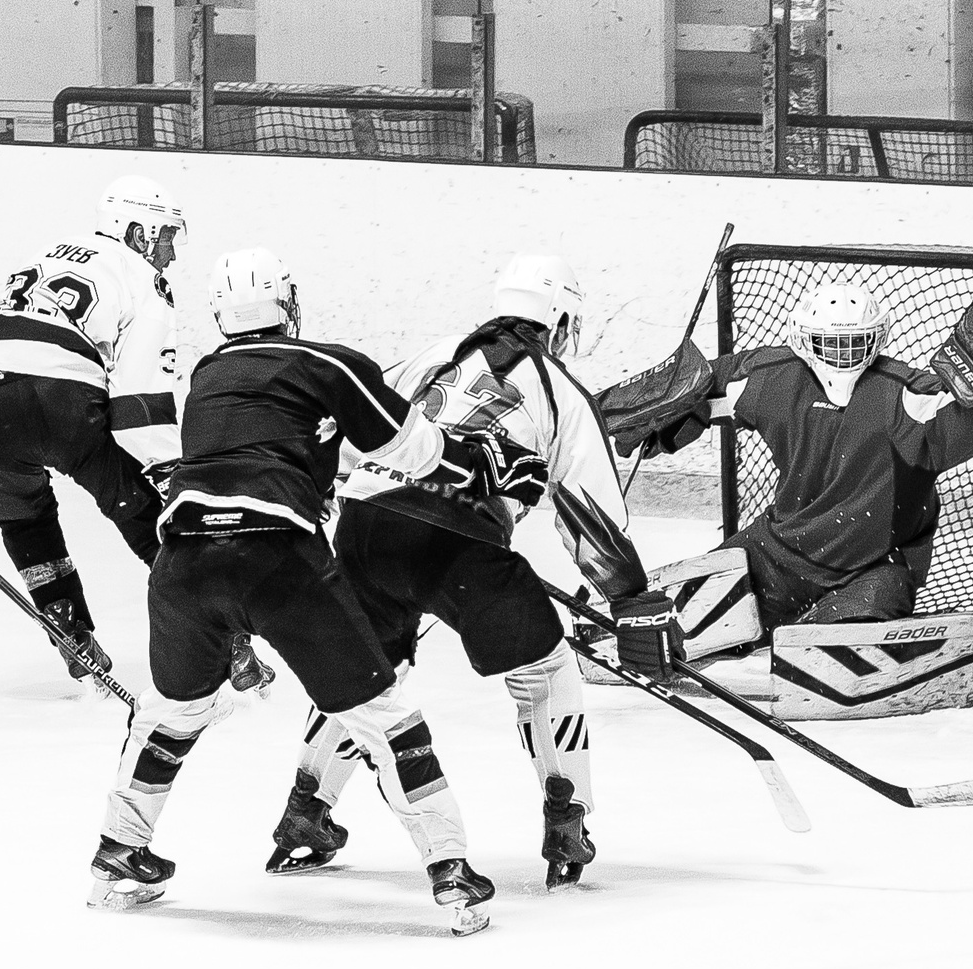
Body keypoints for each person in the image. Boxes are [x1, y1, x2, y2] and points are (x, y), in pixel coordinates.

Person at [87, 247, 499, 934]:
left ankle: (117, 852)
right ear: (290, 304)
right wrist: (475, 462)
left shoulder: (208, 373)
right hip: (278, 558)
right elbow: (410, 447)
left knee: (172, 716)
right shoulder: (324, 362)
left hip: (182, 563)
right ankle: (451, 871)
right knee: (383, 715)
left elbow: (259, 452)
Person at [264, 253, 675, 891]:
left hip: (368, 525)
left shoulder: (433, 355)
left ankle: (305, 812)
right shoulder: (562, 391)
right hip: (463, 545)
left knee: (366, 672)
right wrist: (631, 597)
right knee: (546, 670)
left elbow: (356, 428)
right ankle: (566, 819)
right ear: (560, 319)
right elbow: (590, 514)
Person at [0, 174, 268, 691]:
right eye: (166, 238)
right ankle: (225, 637)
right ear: (137, 233)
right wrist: (172, 474)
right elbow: (139, 397)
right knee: (140, 510)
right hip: (57, 398)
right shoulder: (145, 281)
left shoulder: (51, 254)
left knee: (24, 519)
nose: (171, 254)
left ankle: (66, 622)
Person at [609, 278, 973, 653]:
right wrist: (656, 415)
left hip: (876, 567)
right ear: (804, 339)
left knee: (820, 650)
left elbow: (961, 420)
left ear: (877, 339)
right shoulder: (771, 376)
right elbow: (703, 386)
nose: (843, 355)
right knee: (651, 630)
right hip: (775, 553)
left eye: (856, 342)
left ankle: (828, 630)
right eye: (830, 343)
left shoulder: (906, 394)